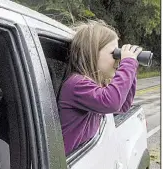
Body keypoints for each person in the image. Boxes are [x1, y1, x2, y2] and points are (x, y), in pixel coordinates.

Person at [57, 20, 142, 155]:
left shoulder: (94, 86)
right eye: (114, 53)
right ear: (92, 54)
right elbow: (111, 103)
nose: (118, 59)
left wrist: (131, 69)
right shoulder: (76, 85)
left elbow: (122, 106)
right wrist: (128, 64)